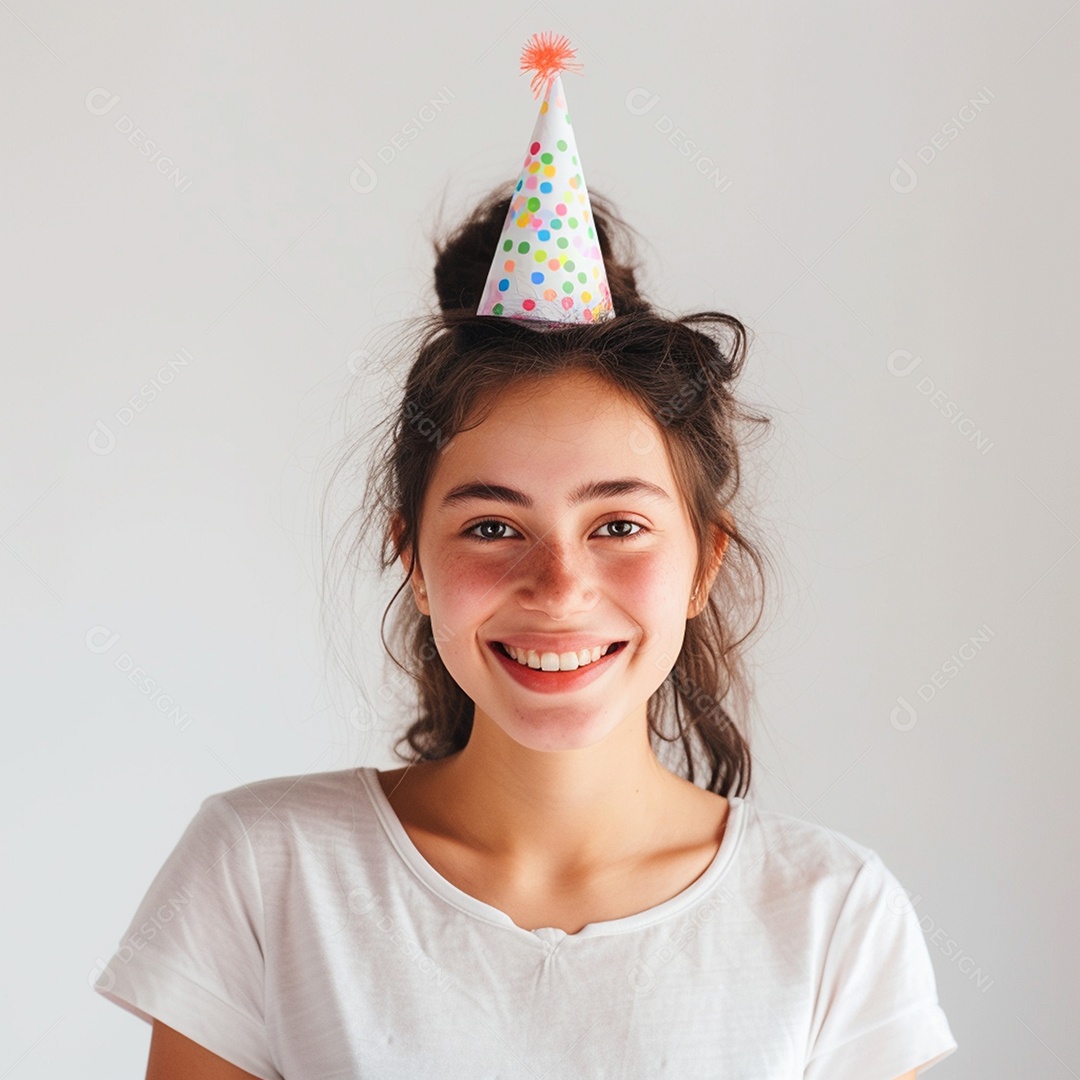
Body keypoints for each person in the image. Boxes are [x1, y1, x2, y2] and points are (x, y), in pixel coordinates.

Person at [91, 34, 958, 1080]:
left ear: (704, 563)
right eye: (493, 525)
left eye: (619, 525)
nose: (559, 586)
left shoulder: (831, 917)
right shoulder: (264, 873)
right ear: (411, 554)